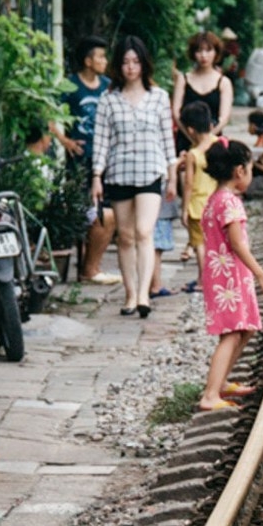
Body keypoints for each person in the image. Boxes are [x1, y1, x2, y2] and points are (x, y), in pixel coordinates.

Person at [91, 36, 177, 319]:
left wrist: (172, 174)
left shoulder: (159, 96)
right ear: (119, 65)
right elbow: (101, 141)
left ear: (144, 64)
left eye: (136, 62)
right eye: (126, 62)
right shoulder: (109, 100)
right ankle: (130, 295)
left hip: (151, 172)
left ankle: (144, 294)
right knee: (125, 236)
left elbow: (168, 139)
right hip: (118, 173)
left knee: (144, 231)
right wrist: (97, 175)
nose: (131, 67)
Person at [198, 140, 263, 411]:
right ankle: (211, 394)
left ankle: (221, 382)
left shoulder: (215, 199)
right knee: (231, 333)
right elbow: (237, 244)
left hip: (225, 274)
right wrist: (262, 275)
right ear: (240, 171)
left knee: (243, 329)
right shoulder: (230, 203)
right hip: (228, 277)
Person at [62, 36, 120, 286]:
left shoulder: (108, 86)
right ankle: (89, 267)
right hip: (80, 161)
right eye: (100, 57)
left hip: (106, 161)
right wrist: (66, 141)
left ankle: (91, 265)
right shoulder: (70, 86)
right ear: (88, 61)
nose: (104, 62)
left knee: (106, 213)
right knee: (88, 211)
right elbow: (50, 116)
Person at [181, 100, 219, 286]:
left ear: (190, 130)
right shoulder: (220, 145)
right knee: (215, 242)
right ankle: (215, 277)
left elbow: (188, 182)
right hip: (216, 203)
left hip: (197, 205)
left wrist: (184, 208)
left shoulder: (193, 154)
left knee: (200, 244)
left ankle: (203, 279)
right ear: (210, 124)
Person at [171, 30, 234, 137]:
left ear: (216, 52)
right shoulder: (183, 79)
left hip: (213, 141)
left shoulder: (224, 82)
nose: (204, 55)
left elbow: (224, 118)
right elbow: (176, 113)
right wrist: (190, 137)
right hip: (186, 139)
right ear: (193, 53)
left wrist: (205, 141)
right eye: (199, 51)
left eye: (209, 50)